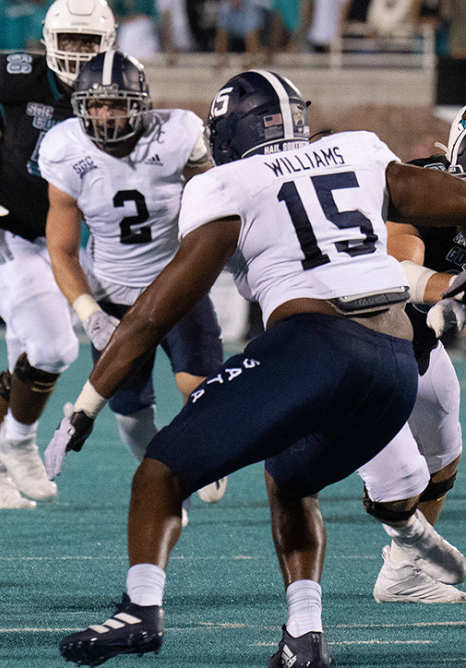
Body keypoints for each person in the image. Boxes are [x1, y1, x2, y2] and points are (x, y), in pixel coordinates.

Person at [49, 70, 466, 668]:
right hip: (396, 362)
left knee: (160, 471)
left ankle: (140, 611)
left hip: (313, 345)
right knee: (290, 482)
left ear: (228, 134)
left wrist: (87, 405)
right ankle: (304, 636)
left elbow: (152, 314)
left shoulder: (227, 182)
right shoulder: (359, 149)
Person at [38, 51, 228, 520]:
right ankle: (169, 478)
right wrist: (88, 313)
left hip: (177, 284)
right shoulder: (64, 149)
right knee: (129, 414)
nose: (105, 114)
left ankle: (200, 457)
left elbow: (219, 201)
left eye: (116, 104)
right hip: (112, 295)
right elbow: (61, 249)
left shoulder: (178, 134)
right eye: (95, 104)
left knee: (202, 391)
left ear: (139, 105)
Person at [0, 0, 116, 510]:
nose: (79, 51)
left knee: (27, 364)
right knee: (55, 348)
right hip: (2, 231)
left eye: (89, 41)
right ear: (48, 39)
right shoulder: (18, 76)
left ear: (107, 44)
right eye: (71, 40)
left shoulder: (114, 89)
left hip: (62, 244)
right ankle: (18, 444)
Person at [355, 108, 466, 604]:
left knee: (444, 458)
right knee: (400, 482)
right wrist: (452, 289)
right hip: (364, 339)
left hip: (421, 343)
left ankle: (401, 573)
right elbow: (397, 267)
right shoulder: (421, 183)